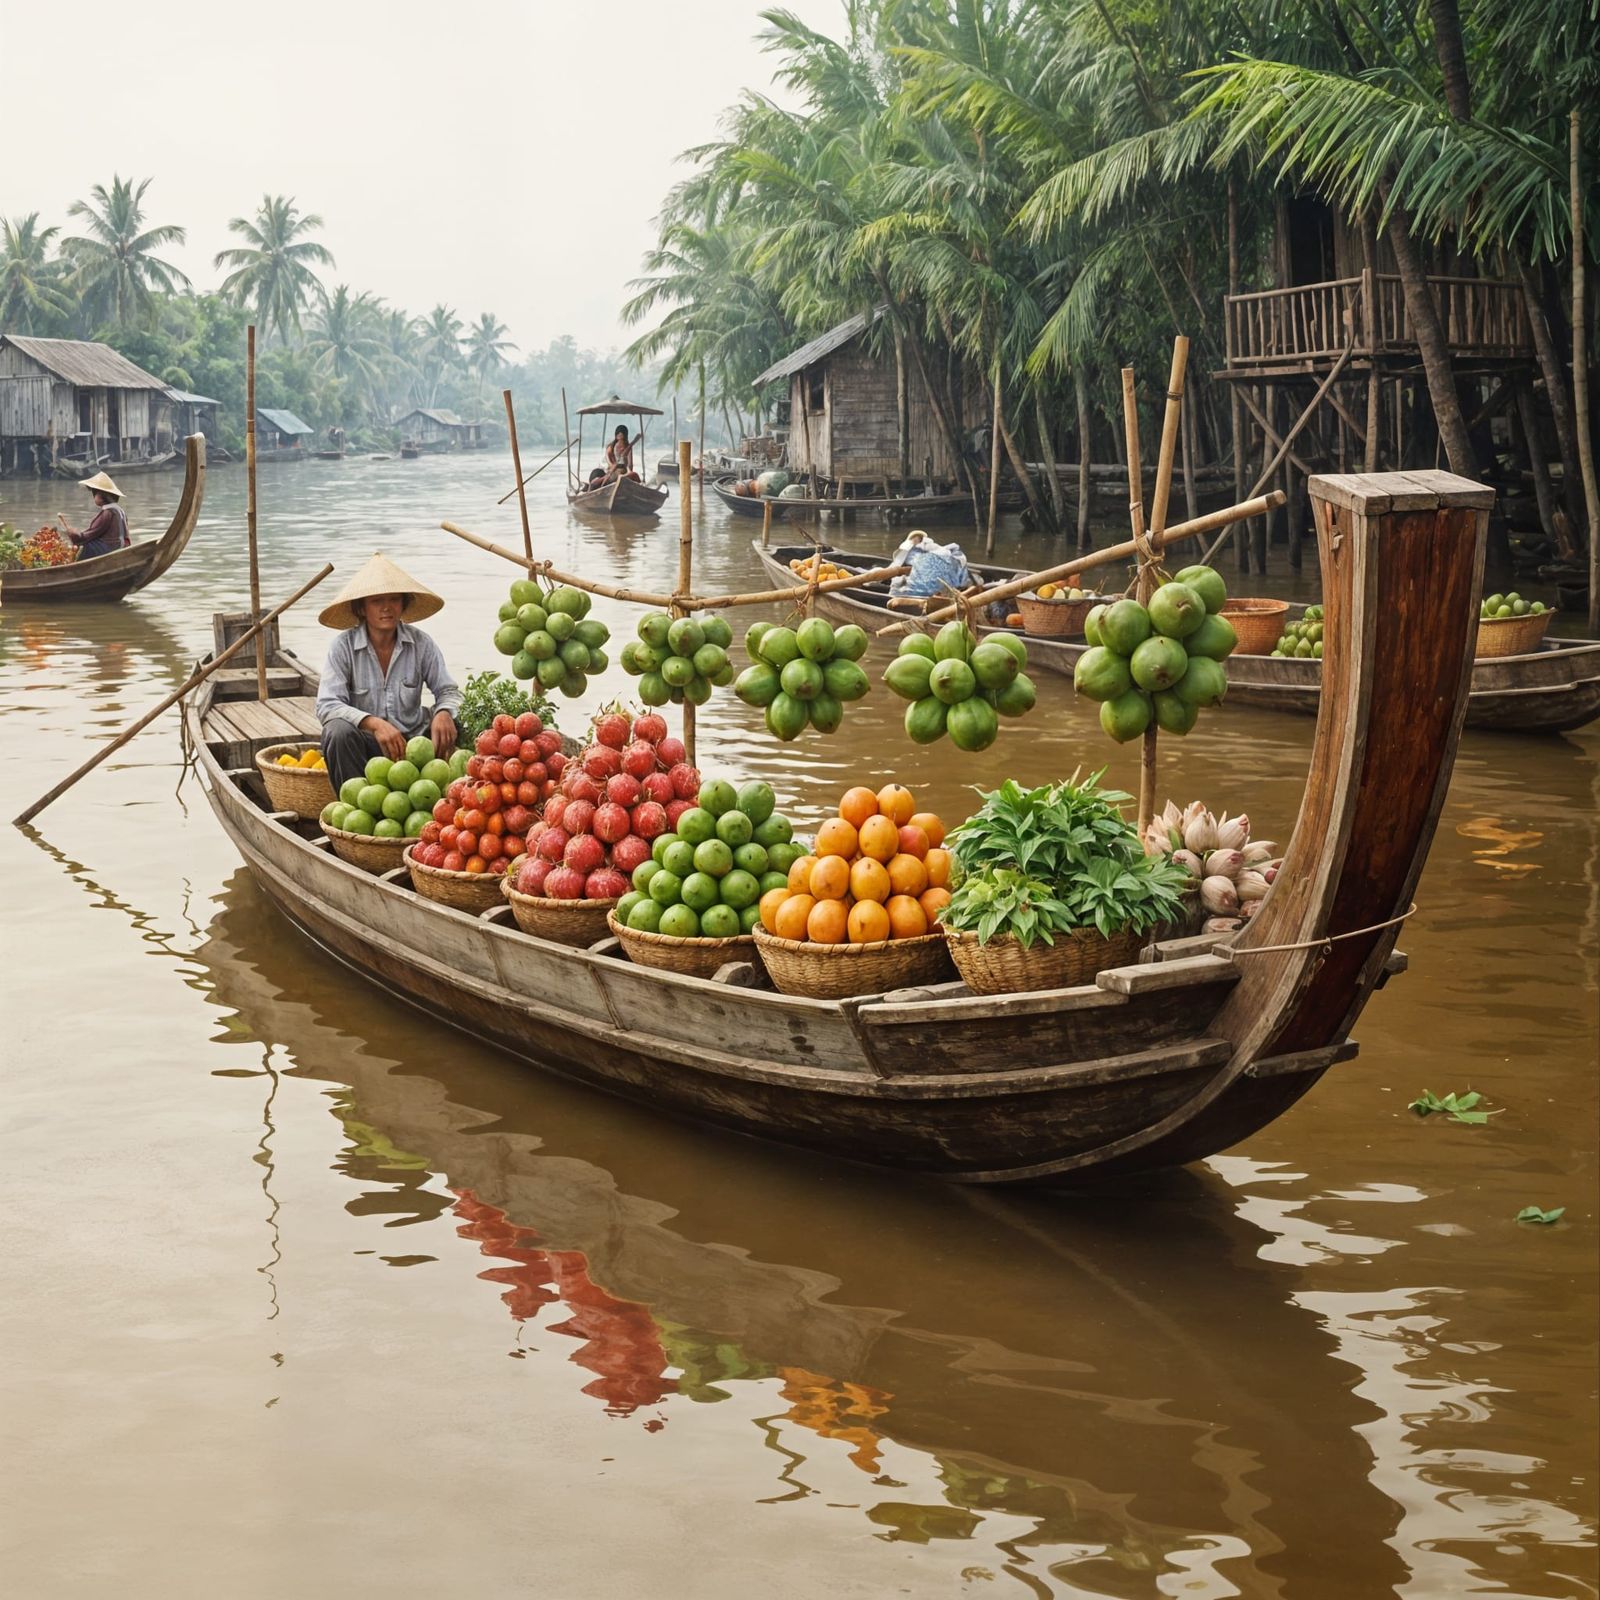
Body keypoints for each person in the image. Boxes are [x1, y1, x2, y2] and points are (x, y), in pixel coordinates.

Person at [314, 551, 461, 790]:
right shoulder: (343, 647)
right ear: (362, 609)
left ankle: (452, 797)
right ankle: (354, 808)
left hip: (414, 744)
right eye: (377, 601)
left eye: (394, 599)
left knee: (457, 721)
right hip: (369, 747)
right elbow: (327, 705)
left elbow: (448, 690)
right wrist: (374, 724)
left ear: (403, 605)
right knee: (337, 732)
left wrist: (443, 712)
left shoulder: (421, 644)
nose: (386, 608)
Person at [56, 472, 131, 560]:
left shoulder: (107, 513)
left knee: (81, 547)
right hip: (121, 546)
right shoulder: (119, 510)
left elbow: (91, 534)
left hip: (111, 548)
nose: (94, 497)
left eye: (95, 494)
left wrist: (74, 534)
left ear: (101, 496)